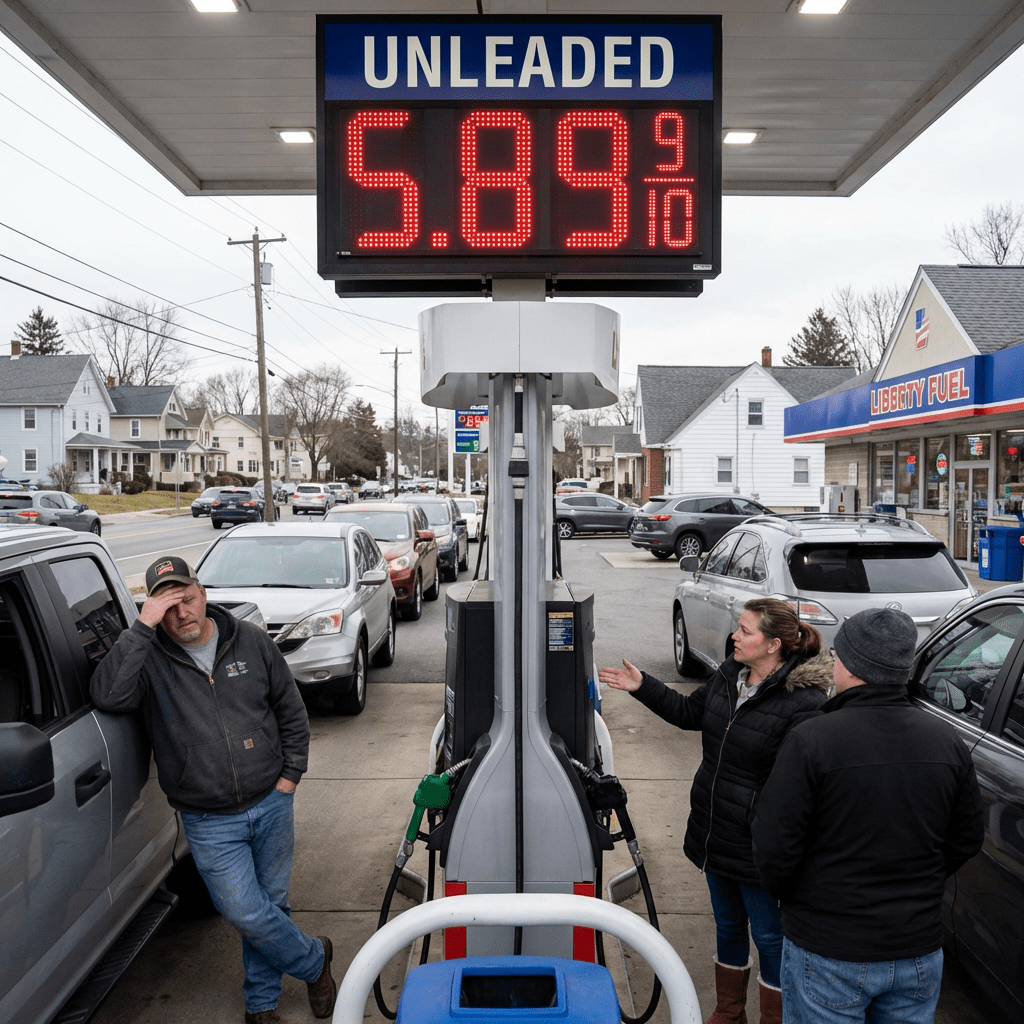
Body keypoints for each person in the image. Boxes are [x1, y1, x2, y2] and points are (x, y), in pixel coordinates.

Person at [90, 555, 335, 1024]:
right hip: (207, 817)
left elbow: (290, 710)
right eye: (167, 605)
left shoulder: (251, 641)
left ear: (202, 594)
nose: (181, 613)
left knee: (271, 905)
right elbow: (109, 695)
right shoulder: (148, 657)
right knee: (245, 910)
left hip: (271, 799)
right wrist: (142, 626)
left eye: (186, 599)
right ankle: (315, 961)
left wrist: (290, 777)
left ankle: (261, 1004)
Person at [599, 598, 832, 1024]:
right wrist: (643, 686)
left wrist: (761, 827)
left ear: (773, 644)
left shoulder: (805, 702)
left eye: (745, 631)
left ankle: (773, 1018)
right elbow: (691, 713)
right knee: (727, 927)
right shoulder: (731, 674)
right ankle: (728, 1013)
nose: (734, 637)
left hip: (759, 845)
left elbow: (796, 788)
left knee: (770, 938)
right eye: (737, 628)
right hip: (715, 831)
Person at [751, 607, 984, 1024]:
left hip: (829, 949)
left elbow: (773, 847)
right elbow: (966, 838)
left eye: (838, 655)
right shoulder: (946, 742)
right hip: (916, 950)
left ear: (853, 666)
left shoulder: (811, 739)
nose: (834, 663)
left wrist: (803, 899)